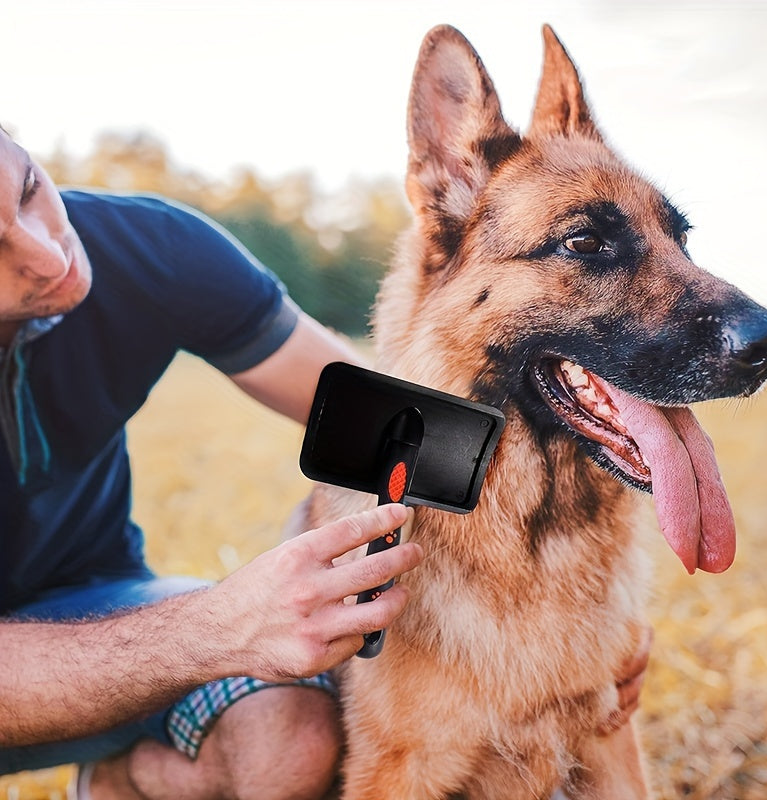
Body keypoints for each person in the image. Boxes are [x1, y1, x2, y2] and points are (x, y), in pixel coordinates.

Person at [0, 128, 648, 800]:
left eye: (27, 191)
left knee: (291, 738)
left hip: (96, 603)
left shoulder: (147, 248)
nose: (48, 256)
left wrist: (591, 613)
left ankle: (120, 780)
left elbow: (397, 423)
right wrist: (214, 629)